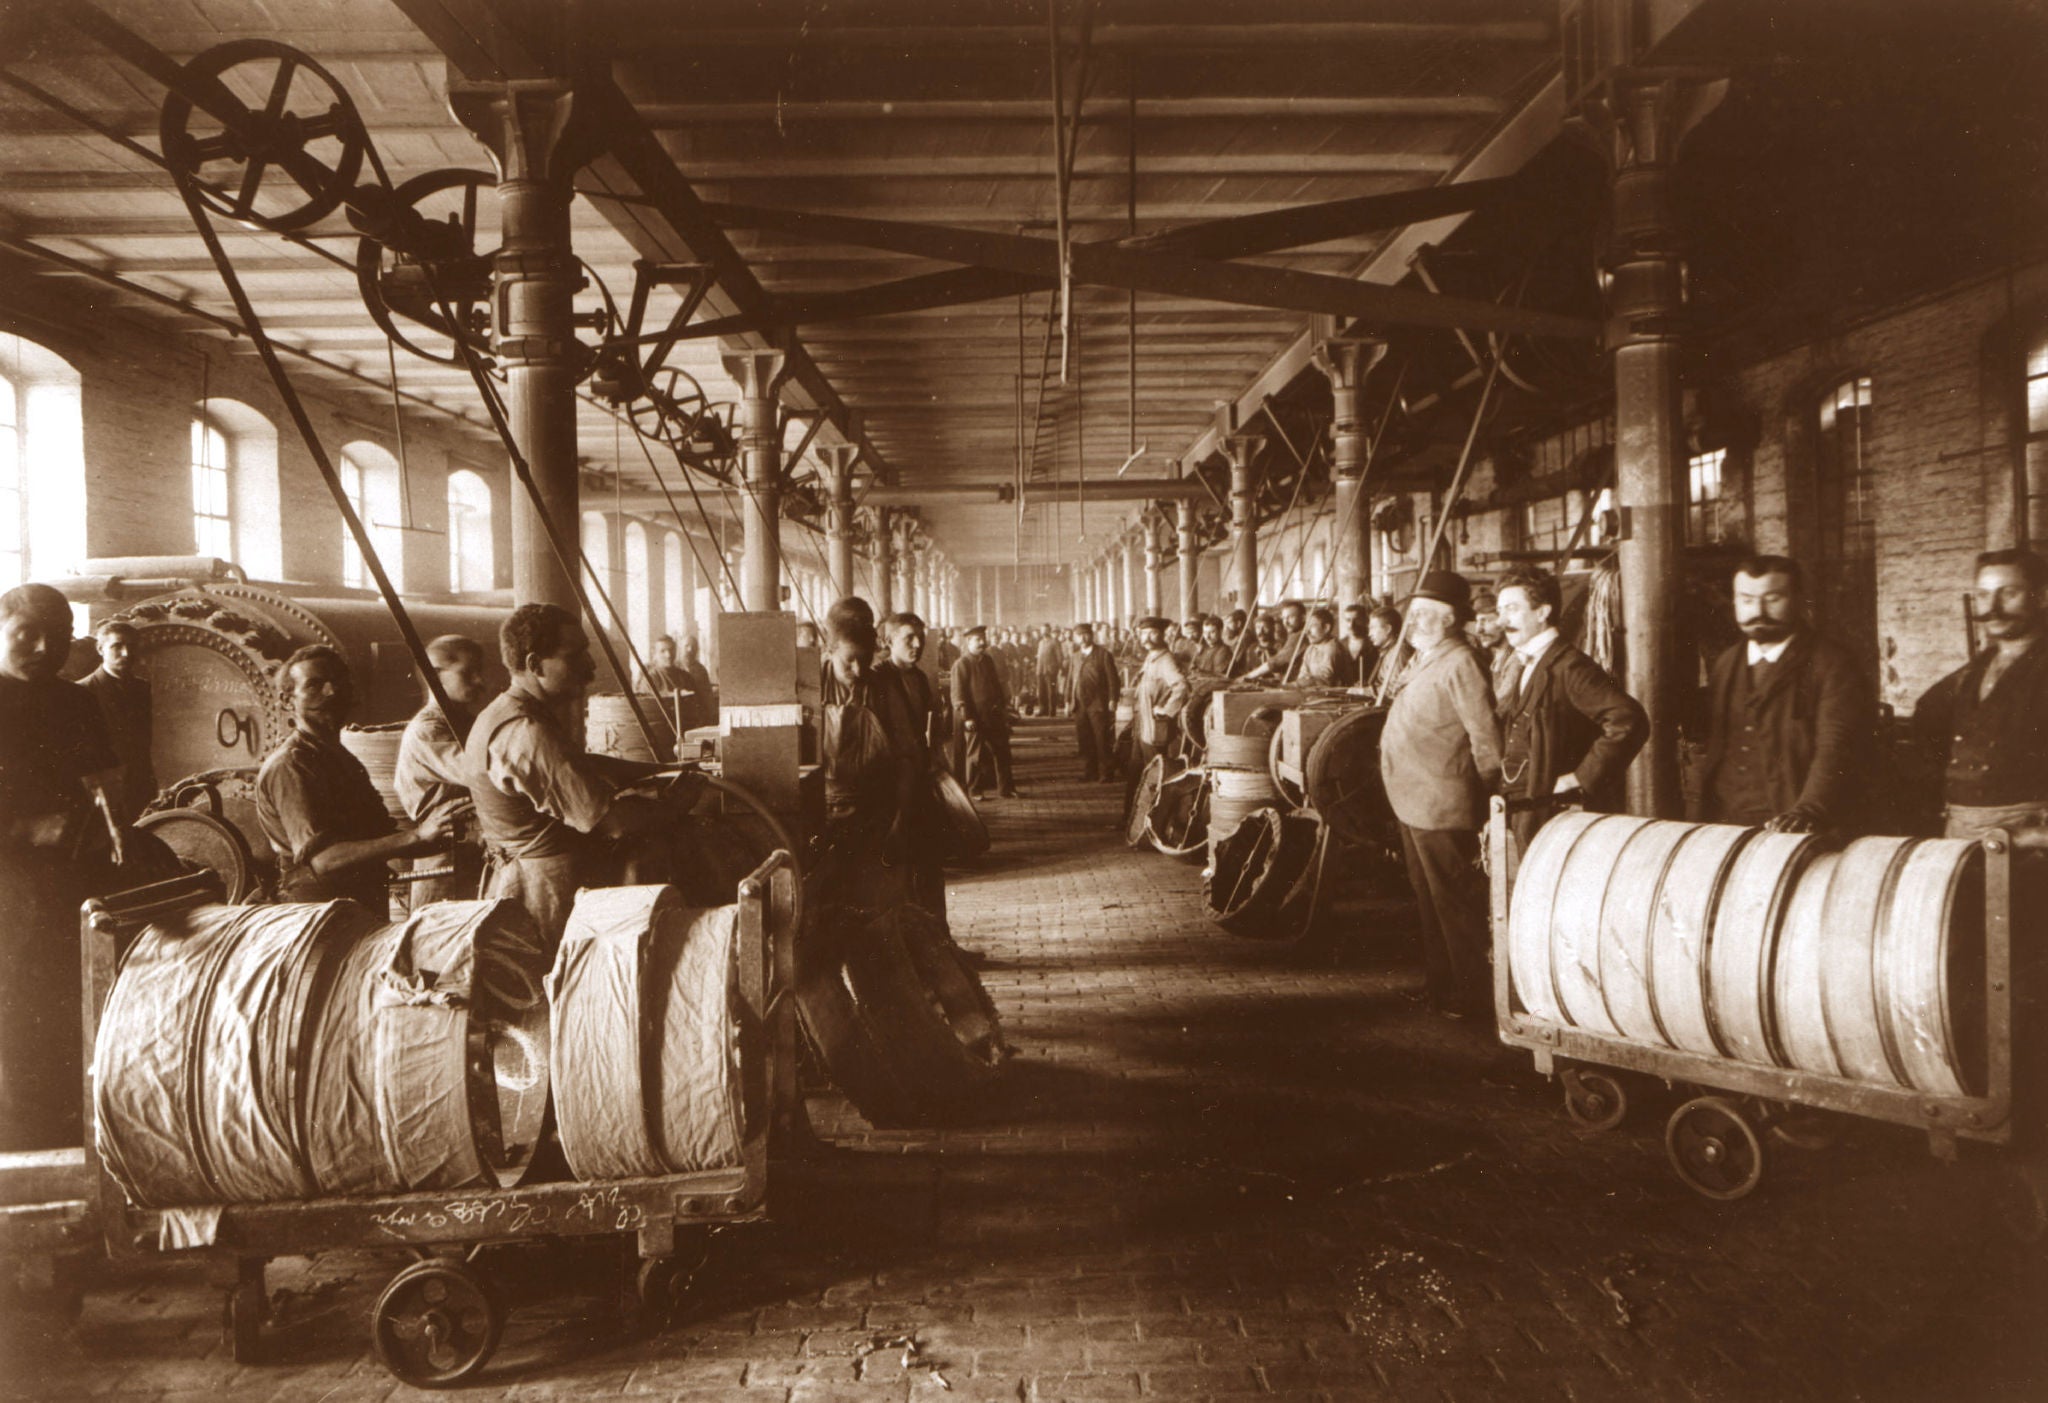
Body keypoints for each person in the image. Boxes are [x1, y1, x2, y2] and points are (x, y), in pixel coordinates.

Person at [0, 585, 132, 1149]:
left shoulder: (75, 701)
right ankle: (23, 1144)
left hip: (73, 883)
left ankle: (75, 1128)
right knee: (17, 1011)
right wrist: (25, 831)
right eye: (26, 633)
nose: (43, 646)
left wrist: (110, 820)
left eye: (56, 635)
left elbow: (106, 780)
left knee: (77, 1001)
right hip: (9, 887)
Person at [464, 604, 670, 947]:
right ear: (534, 664)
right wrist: (674, 805)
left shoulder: (504, 713)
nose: (590, 666)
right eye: (574, 656)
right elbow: (611, 821)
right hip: (545, 891)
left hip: (523, 877)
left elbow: (578, 764)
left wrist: (661, 771)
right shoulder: (526, 731)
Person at [1379, 572, 1502, 1020]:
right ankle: (1441, 987)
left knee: (1455, 904)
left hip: (1443, 801)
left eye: (1426, 616)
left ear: (1450, 620)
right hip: (1414, 798)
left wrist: (1492, 792)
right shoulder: (1429, 656)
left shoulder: (1461, 661)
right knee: (1429, 899)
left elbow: (1485, 734)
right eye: (1413, 615)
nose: (1414, 623)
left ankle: (1473, 999)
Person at [256, 644, 453, 915]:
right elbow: (325, 860)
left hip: (359, 907)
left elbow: (379, 839)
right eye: (314, 685)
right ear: (288, 701)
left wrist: (444, 840)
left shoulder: (339, 758)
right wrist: (417, 835)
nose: (331, 692)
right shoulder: (291, 765)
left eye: (337, 682)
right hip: (317, 916)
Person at [1691, 555, 1869, 833]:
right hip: (1725, 820)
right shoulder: (1727, 663)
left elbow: (1835, 746)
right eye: (1747, 600)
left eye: (1772, 599)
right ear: (1735, 602)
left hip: (1792, 823)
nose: (1758, 611)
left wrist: (1809, 809)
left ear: (1798, 600)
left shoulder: (1832, 664)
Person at [1493, 570, 1647, 851]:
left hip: (1556, 816)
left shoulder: (1571, 666)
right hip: (1527, 810)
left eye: (1512, 609)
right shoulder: (1525, 662)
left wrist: (1581, 777)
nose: (1502, 621)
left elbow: (1628, 719)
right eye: (1500, 610)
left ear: (1543, 612)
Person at [1912, 549, 2048, 840]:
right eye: (1984, 595)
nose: (1993, 608)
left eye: (2009, 593)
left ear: (2043, 597)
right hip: (1961, 832)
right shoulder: (1973, 671)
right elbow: (1926, 719)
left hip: (2028, 841)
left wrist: (2033, 836)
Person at [393, 634, 494, 903]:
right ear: (435, 675)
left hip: (473, 848)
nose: (479, 681)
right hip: (445, 855)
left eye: (479, 672)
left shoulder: (464, 722)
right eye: (468, 673)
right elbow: (487, 773)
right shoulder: (429, 729)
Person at [80, 618, 155, 824]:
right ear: (100, 649)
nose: (126, 654)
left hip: (140, 784)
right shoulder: (81, 691)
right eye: (117, 646)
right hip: (104, 790)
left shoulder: (142, 688)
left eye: (131, 647)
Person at [1124, 616, 1190, 813]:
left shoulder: (1165, 660)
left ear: (1162, 635)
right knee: (1136, 773)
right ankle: (1130, 817)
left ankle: (1152, 819)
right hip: (1142, 727)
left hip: (1154, 729)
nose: (1147, 638)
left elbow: (1181, 687)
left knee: (1154, 774)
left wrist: (1166, 711)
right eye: (1143, 633)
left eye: (1152, 633)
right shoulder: (1151, 657)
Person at [951, 625, 1017, 798]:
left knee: (1002, 752)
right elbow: (958, 694)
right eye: (978, 639)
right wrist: (966, 717)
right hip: (975, 718)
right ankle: (974, 790)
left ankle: (1006, 789)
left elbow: (996, 685)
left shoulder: (987, 660)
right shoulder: (961, 664)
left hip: (994, 715)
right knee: (975, 756)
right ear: (968, 642)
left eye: (983, 638)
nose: (983, 642)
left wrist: (1003, 708)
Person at [1069, 622, 1121, 783]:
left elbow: (1113, 679)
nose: (1083, 638)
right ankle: (1089, 772)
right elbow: (1071, 680)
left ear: (1091, 635)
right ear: (1075, 638)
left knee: (1102, 739)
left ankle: (1106, 772)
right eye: (1079, 635)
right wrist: (1068, 701)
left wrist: (1113, 699)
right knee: (1085, 739)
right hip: (1080, 704)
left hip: (1098, 703)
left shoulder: (1103, 654)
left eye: (1086, 634)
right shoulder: (1075, 656)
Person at [1244, 601, 1307, 682]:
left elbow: (1275, 662)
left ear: (1303, 618)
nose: (1286, 622)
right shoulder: (1293, 635)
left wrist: (1248, 676)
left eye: (1290, 617)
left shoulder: (1300, 636)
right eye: (1284, 618)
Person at [1292, 606, 1356, 686]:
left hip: (1334, 695)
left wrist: (1304, 681)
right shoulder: (1310, 649)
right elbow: (1302, 675)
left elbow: (1325, 680)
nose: (1307, 632)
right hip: (1313, 692)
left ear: (1326, 628)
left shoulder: (1332, 648)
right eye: (1306, 627)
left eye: (1312, 626)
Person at [1364, 606, 1403, 697]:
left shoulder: (1397, 653)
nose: (1369, 634)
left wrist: (1365, 692)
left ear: (1388, 629)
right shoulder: (1387, 651)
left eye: (1373, 628)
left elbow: (1395, 690)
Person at [1035, 626, 1065, 717]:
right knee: (1041, 691)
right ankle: (1043, 710)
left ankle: (1052, 711)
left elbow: (1060, 656)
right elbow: (1039, 657)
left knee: (1051, 691)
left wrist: (1060, 668)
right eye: (1042, 630)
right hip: (1040, 670)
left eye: (1045, 630)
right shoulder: (1040, 643)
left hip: (1050, 670)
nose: (1043, 632)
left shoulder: (1054, 642)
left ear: (1049, 631)